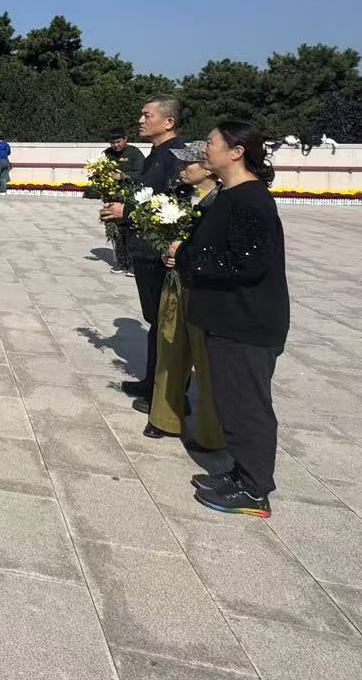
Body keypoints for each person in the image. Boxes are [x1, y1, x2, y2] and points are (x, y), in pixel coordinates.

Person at [181, 120, 290, 517]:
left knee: (247, 406)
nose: (204, 149)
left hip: (247, 323)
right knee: (231, 401)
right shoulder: (229, 195)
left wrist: (188, 257)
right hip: (227, 320)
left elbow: (246, 262)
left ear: (236, 152)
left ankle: (255, 489)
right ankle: (241, 472)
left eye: (211, 142)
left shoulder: (251, 200)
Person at [100, 96, 188, 400]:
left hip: (160, 252)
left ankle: (169, 395)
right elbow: (148, 194)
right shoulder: (156, 154)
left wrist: (127, 211)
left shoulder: (177, 156)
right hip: (146, 250)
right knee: (156, 320)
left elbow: (174, 207)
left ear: (168, 122)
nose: (140, 120)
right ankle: (152, 382)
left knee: (166, 324)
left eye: (146, 115)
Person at [147, 142, 225, 450]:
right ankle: (164, 418)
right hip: (175, 283)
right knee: (170, 350)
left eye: (187, 164)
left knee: (206, 360)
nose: (181, 170)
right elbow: (161, 235)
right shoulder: (177, 196)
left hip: (204, 289)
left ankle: (210, 433)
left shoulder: (222, 202)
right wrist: (166, 254)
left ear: (207, 169)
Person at [103, 128, 143, 271]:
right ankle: (120, 262)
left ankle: (133, 264)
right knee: (115, 231)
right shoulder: (106, 154)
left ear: (126, 139)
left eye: (118, 142)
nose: (116, 145)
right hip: (112, 197)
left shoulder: (134, 153)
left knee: (131, 230)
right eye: (112, 142)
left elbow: (141, 173)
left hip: (130, 198)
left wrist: (123, 176)